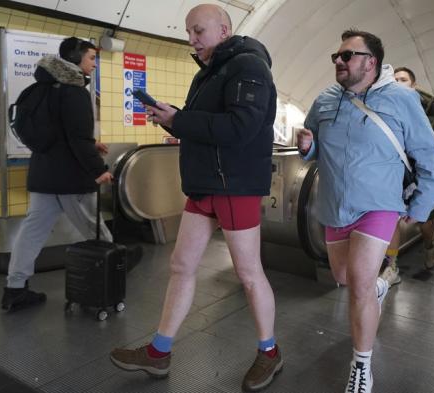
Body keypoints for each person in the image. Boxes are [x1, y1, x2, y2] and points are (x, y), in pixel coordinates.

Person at [109, 5, 282, 392]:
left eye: (198, 31)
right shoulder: (212, 71)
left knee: (249, 275)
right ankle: (159, 352)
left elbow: (241, 127)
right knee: (181, 265)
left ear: (224, 29)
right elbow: (209, 124)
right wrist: (175, 119)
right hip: (205, 183)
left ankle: (269, 351)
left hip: (235, 186)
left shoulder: (249, 66)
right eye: (188, 32)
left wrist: (179, 120)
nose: (192, 40)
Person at [297, 29, 434, 393]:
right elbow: (314, 148)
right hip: (335, 205)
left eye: (347, 55)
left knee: (357, 285)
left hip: (378, 204)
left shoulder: (401, 99)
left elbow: (428, 155)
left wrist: (422, 206)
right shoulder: (325, 99)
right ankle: (379, 286)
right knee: (345, 278)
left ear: (370, 62)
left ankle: (361, 366)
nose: (339, 61)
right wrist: (306, 147)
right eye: (337, 56)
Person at [0, 37, 113, 312]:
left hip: (43, 175)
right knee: (96, 231)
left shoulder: (38, 88)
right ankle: (108, 282)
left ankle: (14, 289)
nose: (93, 64)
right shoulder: (73, 92)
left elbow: (55, 133)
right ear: (75, 60)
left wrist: (88, 143)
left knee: (31, 232)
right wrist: (100, 170)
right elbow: (77, 138)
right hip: (70, 178)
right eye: (90, 58)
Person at [379, 66, 434, 281]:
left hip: (422, 175)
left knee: (425, 220)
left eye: (403, 79)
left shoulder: (431, 108)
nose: (398, 82)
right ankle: (392, 266)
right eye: (394, 79)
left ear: (413, 85)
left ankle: (429, 243)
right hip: (396, 175)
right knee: (392, 219)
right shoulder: (384, 105)